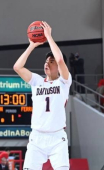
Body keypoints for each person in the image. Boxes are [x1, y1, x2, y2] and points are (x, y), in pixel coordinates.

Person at [13, 21, 71, 170]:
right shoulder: (37, 81)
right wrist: (32, 45)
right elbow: (17, 67)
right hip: (37, 138)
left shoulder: (64, 82)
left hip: (57, 138)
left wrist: (49, 37)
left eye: (50, 61)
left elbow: (59, 59)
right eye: (46, 61)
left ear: (58, 67)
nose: (47, 63)